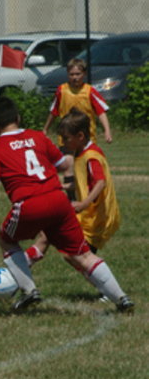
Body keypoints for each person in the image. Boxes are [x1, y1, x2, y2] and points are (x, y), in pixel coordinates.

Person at [0, 96, 134, 313]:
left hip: (29, 203)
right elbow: (63, 164)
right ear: (18, 118)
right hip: (59, 200)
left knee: (6, 240)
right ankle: (122, 298)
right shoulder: (38, 137)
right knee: (84, 254)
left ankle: (29, 291)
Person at [26, 107, 121, 268]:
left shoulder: (91, 157)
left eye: (66, 138)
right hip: (88, 215)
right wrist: (61, 186)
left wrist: (83, 204)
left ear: (80, 136)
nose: (63, 142)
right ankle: (20, 267)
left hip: (95, 219)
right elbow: (85, 183)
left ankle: (108, 285)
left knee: (75, 256)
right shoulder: (81, 152)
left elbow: (100, 183)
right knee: (48, 234)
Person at [43, 57, 112, 146]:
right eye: (71, 74)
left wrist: (107, 130)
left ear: (84, 74)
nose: (75, 77)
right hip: (66, 140)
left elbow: (101, 112)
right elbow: (53, 112)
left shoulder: (90, 91)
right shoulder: (61, 90)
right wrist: (45, 129)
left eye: (78, 74)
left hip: (87, 140)